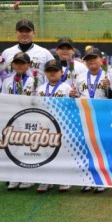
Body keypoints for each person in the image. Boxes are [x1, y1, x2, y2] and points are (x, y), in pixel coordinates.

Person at [35, 59, 74, 193]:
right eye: (49, 71)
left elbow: (73, 105)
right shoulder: (40, 89)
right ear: (45, 72)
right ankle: (46, 180)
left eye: (55, 71)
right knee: (45, 152)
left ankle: (64, 179)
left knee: (62, 152)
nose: (52, 73)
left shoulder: (67, 88)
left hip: (62, 124)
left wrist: (75, 96)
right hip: (44, 124)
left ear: (61, 72)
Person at [1, 52, 36, 191]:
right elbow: (3, 99)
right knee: (14, 147)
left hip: (29, 118)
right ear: (13, 65)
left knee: (29, 148)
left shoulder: (35, 81)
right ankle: (14, 176)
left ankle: (29, 177)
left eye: (23, 62)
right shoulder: (7, 81)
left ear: (29, 65)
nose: (20, 65)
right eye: (17, 62)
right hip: (12, 118)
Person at [0, 19, 54, 91]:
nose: (24, 34)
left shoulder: (44, 53)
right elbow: (0, 74)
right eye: (21, 31)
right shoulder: (7, 53)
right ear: (16, 32)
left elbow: (54, 74)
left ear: (33, 33)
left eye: (27, 31)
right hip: (12, 95)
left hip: (37, 95)